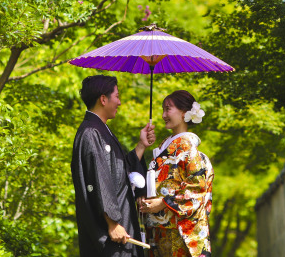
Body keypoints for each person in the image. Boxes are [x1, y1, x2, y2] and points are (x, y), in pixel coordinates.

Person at [71, 74, 156, 257]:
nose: (119, 102)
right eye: (117, 96)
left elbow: (119, 172)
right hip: (109, 230)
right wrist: (112, 223)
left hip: (120, 224)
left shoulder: (101, 130)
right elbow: (99, 179)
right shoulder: (91, 132)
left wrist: (141, 146)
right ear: (103, 99)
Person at [140, 90, 214, 257]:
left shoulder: (187, 146)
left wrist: (164, 202)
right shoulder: (167, 145)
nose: (163, 115)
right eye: (163, 110)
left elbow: (198, 188)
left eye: (168, 109)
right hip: (160, 227)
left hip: (178, 228)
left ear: (184, 113)